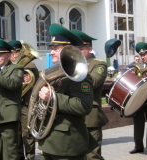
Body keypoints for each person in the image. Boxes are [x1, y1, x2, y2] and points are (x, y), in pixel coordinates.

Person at [37, 23, 94, 160]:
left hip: (67, 144)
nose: (51, 52)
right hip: (49, 141)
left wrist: (52, 97)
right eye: (52, 48)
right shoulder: (52, 73)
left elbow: (83, 105)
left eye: (56, 48)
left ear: (68, 50)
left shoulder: (80, 75)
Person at [71, 30, 109, 160]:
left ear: (90, 49)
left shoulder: (99, 64)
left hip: (90, 116)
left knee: (92, 155)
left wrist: (77, 71)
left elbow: (92, 83)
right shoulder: (71, 64)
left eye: (81, 49)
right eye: (76, 50)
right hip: (74, 112)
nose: (78, 53)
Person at [9, 40, 40, 160]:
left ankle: (30, 155)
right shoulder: (9, 66)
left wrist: (28, 79)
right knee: (16, 132)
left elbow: (36, 82)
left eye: (16, 52)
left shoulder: (30, 65)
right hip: (13, 103)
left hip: (26, 103)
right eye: (12, 53)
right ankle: (20, 155)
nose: (14, 55)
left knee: (27, 132)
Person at [129, 42, 147, 155]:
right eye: (141, 55)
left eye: (145, 54)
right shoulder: (140, 66)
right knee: (138, 122)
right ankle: (138, 146)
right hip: (140, 97)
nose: (142, 57)